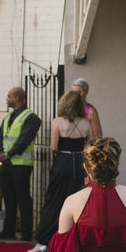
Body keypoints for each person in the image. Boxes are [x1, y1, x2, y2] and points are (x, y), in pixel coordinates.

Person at [0, 86, 41, 244]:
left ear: (17, 98)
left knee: (23, 198)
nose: (6, 99)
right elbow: (0, 136)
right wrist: (1, 152)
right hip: (7, 164)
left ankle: (26, 232)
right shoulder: (8, 117)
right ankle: (9, 230)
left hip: (21, 164)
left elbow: (23, 140)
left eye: (9, 96)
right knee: (8, 198)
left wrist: (8, 155)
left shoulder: (31, 118)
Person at [41, 90, 90, 232]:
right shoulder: (86, 123)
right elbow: (90, 143)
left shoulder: (58, 122)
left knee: (55, 199)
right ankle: (74, 233)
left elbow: (53, 146)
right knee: (78, 198)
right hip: (80, 161)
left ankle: (48, 235)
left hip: (63, 160)